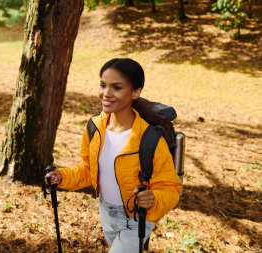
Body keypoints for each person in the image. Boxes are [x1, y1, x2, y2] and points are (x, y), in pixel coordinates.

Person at [45, 58, 182, 253]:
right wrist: (62, 177)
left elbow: (171, 187)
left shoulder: (150, 138)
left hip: (136, 219)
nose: (106, 93)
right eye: (103, 85)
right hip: (106, 213)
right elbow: (89, 170)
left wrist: (154, 198)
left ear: (135, 92)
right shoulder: (95, 127)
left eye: (117, 87)